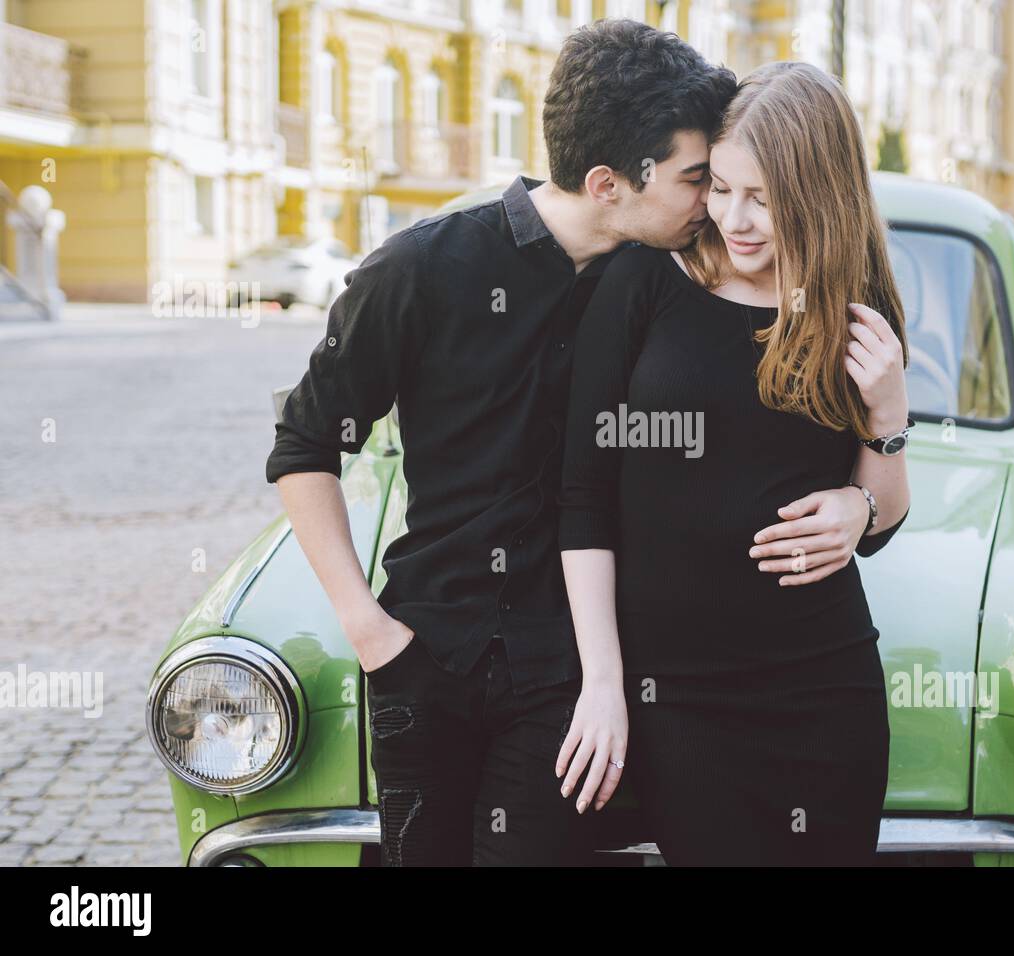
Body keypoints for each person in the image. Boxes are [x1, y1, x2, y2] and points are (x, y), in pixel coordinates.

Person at [264, 21, 878, 866]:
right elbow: (304, 443)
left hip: (567, 669)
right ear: (608, 183)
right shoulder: (421, 268)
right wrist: (367, 629)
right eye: (701, 181)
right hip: (429, 651)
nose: (715, 207)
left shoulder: (654, 278)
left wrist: (863, 493)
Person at [557, 60, 912, 866]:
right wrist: (604, 681)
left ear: (819, 193)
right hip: (677, 695)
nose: (735, 218)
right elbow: (584, 494)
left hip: (825, 687)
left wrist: (884, 432)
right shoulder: (644, 280)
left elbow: (884, 517)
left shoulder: (857, 304)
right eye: (721, 188)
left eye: (764, 198)